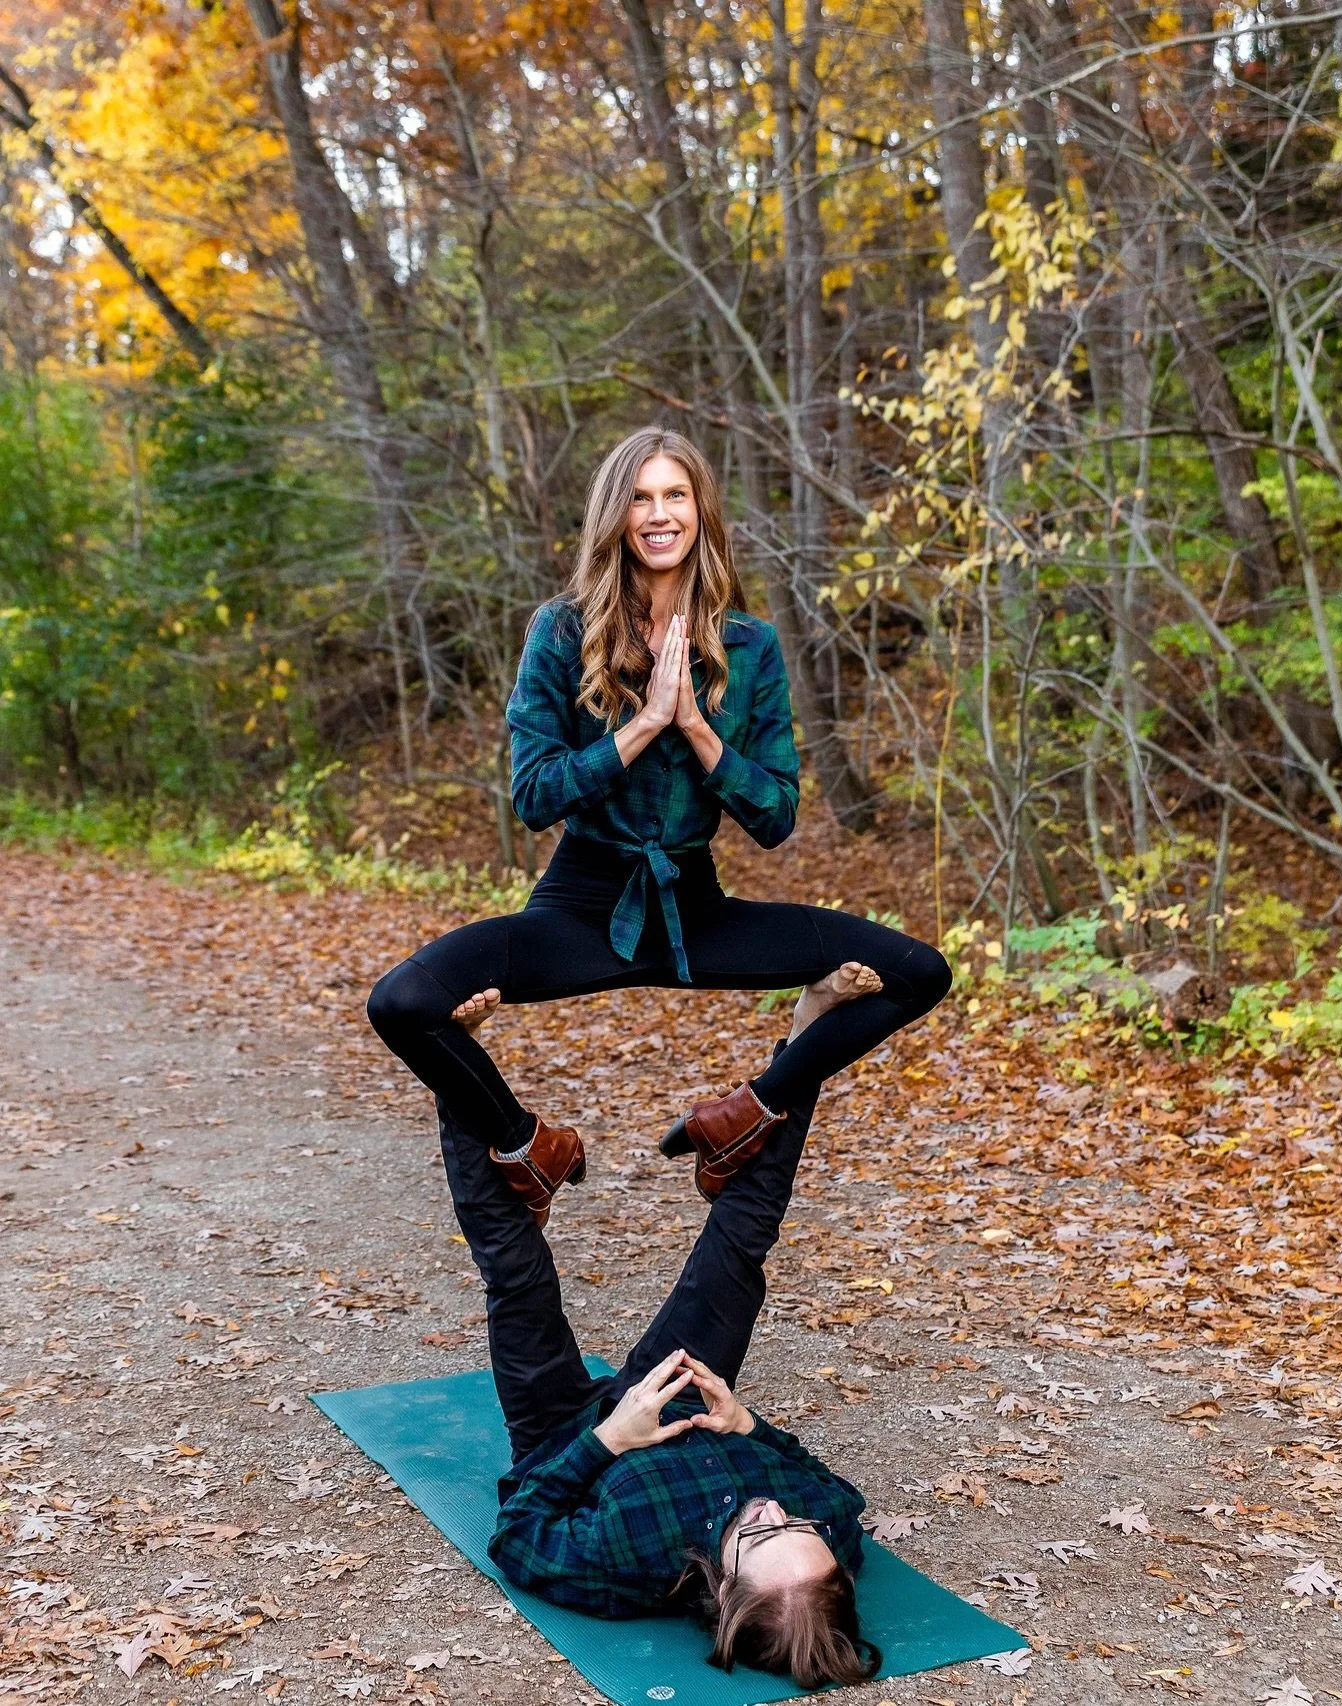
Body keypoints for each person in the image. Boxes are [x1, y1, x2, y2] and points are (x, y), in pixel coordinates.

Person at [367, 425, 952, 1224]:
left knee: (920, 972)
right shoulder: (562, 631)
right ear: (615, 516)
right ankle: (528, 1146)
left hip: (696, 913)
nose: (658, 514)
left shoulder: (750, 646)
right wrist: (642, 725)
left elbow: (777, 816)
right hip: (579, 909)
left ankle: (746, 1115)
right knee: (400, 1002)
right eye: (640, 497)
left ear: (701, 512)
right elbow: (534, 796)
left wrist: (700, 731)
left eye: (674, 494)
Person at [433, 1038, 882, 1689]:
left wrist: (609, 1438)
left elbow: (516, 1535)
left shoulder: (625, 1567)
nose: (772, 1511)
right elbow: (835, 1495)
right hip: (682, 1394)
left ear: (725, 1592)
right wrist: (745, 1423)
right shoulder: (824, 1545)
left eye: (760, 1536)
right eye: (796, 1522)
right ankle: (810, 1034)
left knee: (515, 1270)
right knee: (739, 1245)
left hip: (561, 1430)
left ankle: (450, 1058)